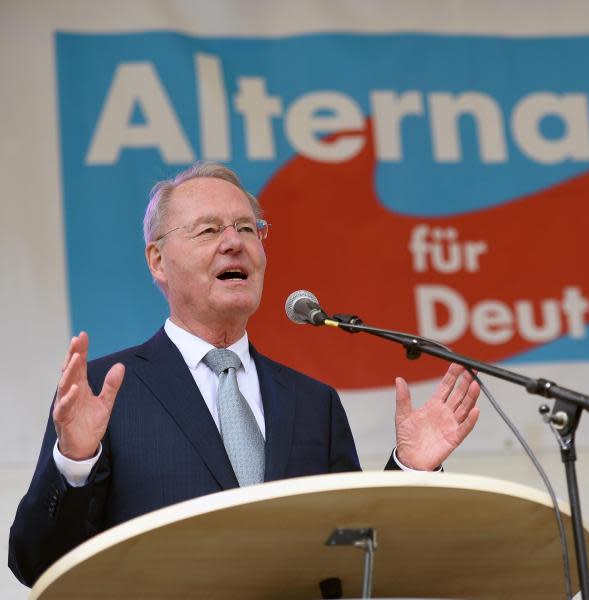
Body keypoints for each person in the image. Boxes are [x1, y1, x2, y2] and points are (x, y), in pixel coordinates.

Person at [8, 163, 480, 587]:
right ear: (158, 261)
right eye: (209, 230)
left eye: (247, 229)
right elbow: (35, 563)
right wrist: (73, 461)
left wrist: (410, 471)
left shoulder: (314, 404)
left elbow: (361, 558)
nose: (234, 242)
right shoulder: (107, 391)